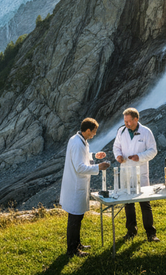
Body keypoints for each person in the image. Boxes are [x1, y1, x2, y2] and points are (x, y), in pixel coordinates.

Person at [60, 117, 110, 257]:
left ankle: (77, 244)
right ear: (88, 130)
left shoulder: (79, 140)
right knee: (74, 219)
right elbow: (79, 167)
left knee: (78, 217)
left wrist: (94, 156)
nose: (95, 134)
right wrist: (98, 167)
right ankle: (72, 250)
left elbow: (82, 157)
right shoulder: (77, 143)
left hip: (77, 185)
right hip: (76, 186)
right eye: (94, 131)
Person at [113, 108, 159, 242]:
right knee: (128, 202)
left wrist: (139, 156)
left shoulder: (146, 132)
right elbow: (116, 147)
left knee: (144, 202)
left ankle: (151, 233)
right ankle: (131, 231)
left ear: (136, 119)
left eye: (129, 121)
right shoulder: (121, 131)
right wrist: (118, 156)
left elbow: (153, 150)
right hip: (126, 170)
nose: (127, 124)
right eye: (125, 121)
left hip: (140, 170)